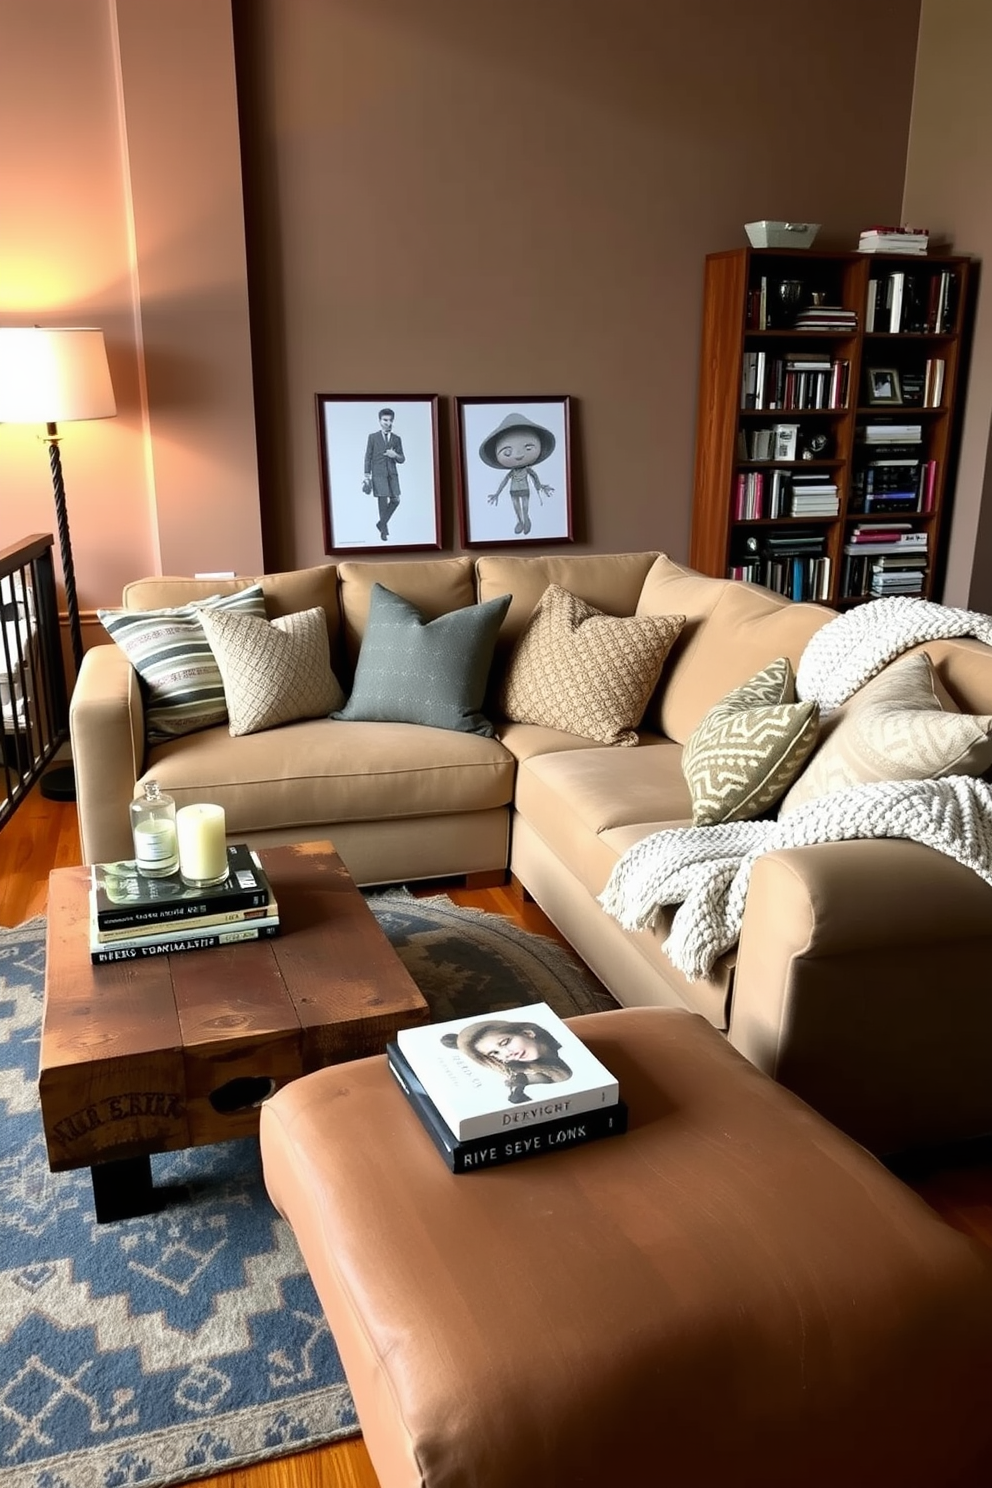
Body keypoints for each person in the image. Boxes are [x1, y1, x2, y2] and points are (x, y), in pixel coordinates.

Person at [440, 1017, 573, 1104]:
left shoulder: (565, 1042)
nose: (508, 1053)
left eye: (505, 1042)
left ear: (527, 1033)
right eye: (494, 1053)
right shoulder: (522, 1068)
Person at [480, 412, 555, 536]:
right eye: (508, 453)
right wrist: (497, 494)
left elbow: (535, 477)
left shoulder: (527, 470)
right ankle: (520, 521)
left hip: (525, 489)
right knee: (517, 508)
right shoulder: (512, 472)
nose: (519, 455)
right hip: (513, 490)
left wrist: (540, 486)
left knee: (525, 507)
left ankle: (526, 520)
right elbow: (504, 482)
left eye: (528, 448)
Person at [363, 407, 405, 540]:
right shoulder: (373, 437)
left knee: (396, 500)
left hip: (392, 474)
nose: (388, 423)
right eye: (385, 420)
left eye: (390, 420)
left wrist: (395, 455)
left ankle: (381, 524)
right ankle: (384, 532)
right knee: (382, 502)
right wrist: (367, 475)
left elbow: (402, 459)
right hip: (378, 475)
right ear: (380, 421)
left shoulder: (397, 439)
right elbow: (368, 456)